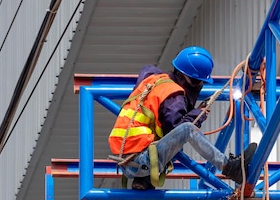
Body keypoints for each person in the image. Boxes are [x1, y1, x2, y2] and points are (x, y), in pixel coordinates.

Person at [108, 46, 257, 190]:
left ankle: (144, 180)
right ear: (182, 76)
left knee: (162, 132)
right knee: (188, 129)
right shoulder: (174, 96)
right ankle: (230, 168)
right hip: (141, 161)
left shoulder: (155, 81)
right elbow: (177, 130)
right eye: (196, 82)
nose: (199, 87)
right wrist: (198, 114)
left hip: (128, 160)